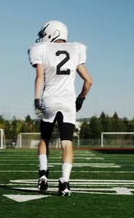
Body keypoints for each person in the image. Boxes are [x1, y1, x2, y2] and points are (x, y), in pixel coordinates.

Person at [28, 20, 93, 196]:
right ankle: (64, 182)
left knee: (44, 139)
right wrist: (81, 99)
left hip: (50, 99)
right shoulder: (76, 49)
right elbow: (89, 81)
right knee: (67, 143)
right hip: (68, 102)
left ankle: (43, 174)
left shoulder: (40, 49)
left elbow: (40, 76)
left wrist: (36, 99)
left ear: (52, 32)